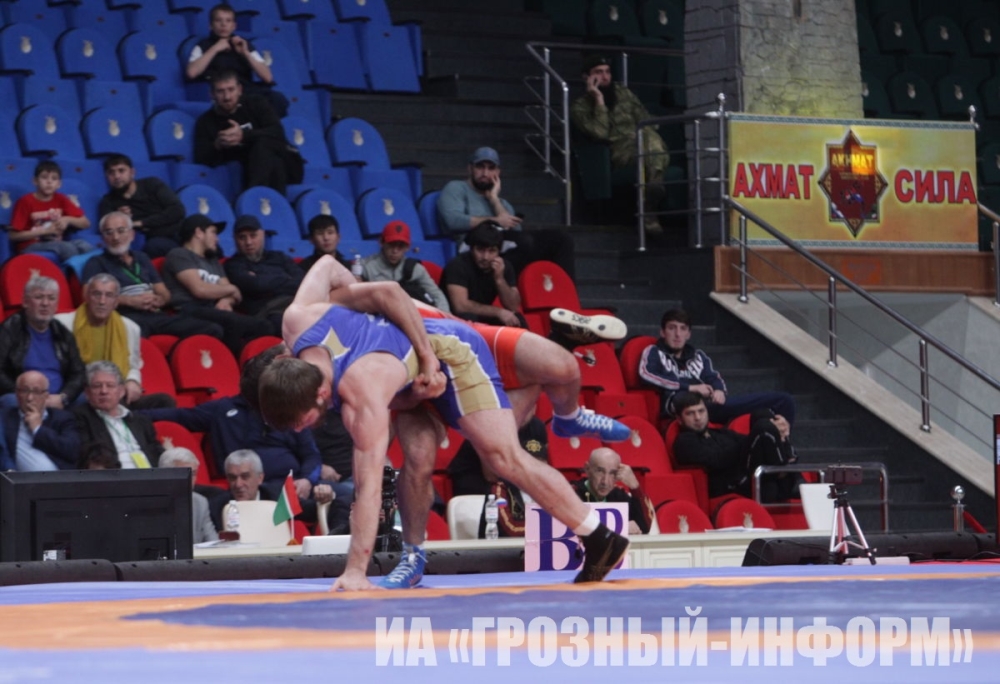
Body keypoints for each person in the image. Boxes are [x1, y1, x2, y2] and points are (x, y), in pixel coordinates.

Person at [258, 257, 631, 591]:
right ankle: (413, 557)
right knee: (417, 460)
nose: (301, 431)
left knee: (503, 458)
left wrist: (356, 570)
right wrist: (352, 294)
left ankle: (597, 536)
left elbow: (369, 488)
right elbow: (327, 264)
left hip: (449, 351)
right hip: (407, 377)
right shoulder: (297, 318)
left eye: (303, 421)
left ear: (322, 392)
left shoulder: (362, 395)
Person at [141, 345, 326, 508]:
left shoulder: (289, 409)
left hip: (296, 485)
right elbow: (180, 416)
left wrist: (307, 480)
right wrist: (130, 416)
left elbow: (311, 454)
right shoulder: (223, 409)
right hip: (253, 487)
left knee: (337, 496)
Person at [639, 308, 796, 424]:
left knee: (783, 400)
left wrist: (719, 390)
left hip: (710, 406)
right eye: (672, 328)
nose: (677, 334)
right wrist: (690, 388)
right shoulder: (654, 351)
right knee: (690, 400)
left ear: (689, 334)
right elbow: (646, 374)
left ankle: (784, 445)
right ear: (662, 332)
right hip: (681, 407)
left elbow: (713, 377)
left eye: (683, 329)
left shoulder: (698, 356)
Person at [436, 146, 575, 277]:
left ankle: (565, 292)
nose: (485, 173)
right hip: (473, 247)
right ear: (470, 168)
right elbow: (452, 221)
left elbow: (515, 231)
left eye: (491, 168)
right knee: (523, 242)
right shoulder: (456, 188)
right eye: (480, 167)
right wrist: (494, 220)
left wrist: (494, 199)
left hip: (501, 248)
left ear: (498, 173)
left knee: (561, 239)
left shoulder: (502, 203)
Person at [82, 212, 219, 341]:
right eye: (109, 232)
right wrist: (130, 301)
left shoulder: (142, 258)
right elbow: (87, 296)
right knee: (135, 334)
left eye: (121, 230)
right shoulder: (96, 263)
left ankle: (175, 354)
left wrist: (159, 300)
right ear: (102, 238)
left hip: (155, 314)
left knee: (211, 329)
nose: (115, 237)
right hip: (125, 316)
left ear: (132, 234)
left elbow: (164, 293)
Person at [570, 55, 669, 232]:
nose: (605, 76)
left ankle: (652, 194)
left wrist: (643, 131)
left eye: (607, 72)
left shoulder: (623, 93)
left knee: (648, 136)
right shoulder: (580, 107)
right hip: (619, 150)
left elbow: (645, 118)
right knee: (651, 146)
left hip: (644, 140)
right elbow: (600, 133)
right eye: (598, 72)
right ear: (587, 77)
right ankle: (652, 196)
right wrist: (599, 99)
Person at [55, 274, 174, 410]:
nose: (102, 301)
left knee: (164, 401)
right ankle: (124, 416)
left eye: (109, 295)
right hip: (79, 392)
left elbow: (133, 365)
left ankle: (126, 416)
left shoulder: (130, 328)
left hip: (114, 392)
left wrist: (132, 381)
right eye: (97, 294)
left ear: (116, 301)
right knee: (91, 402)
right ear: (87, 297)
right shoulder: (61, 324)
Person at [162, 213, 272, 356]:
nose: (217, 239)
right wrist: (232, 288)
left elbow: (235, 296)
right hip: (188, 309)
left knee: (264, 326)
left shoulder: (212, 260)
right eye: (213, 232)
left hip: (213, 309)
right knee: (232, 322)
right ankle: (233, 364)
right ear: (199, 233)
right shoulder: (179, 254)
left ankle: (249, 361)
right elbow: (199, 289)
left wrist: (226, 300)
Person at [671, 391, 800, 501]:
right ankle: (789, 475)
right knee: (763, 427)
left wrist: (779, 434)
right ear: (679, 419)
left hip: (757, 478)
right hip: (734, 485)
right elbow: (717, 459)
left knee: (762, 414)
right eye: (690, 413)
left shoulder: (720, 433)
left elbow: (748, 441)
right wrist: (757, 434)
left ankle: (787, 466)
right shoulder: (684, 442)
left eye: (701, 411)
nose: (698, 417)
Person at [194, 70, 302, 194]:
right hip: (255, 169)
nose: (227, 97)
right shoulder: (206, 121)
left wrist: (243, 135)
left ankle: (253, 195)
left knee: (263, 144)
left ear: (239, 90)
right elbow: (201, 158)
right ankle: (269, 201)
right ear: (212, 94)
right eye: (220, 91)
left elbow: (277, 132)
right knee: (274, 162)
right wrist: (217, 145)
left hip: (289, 164)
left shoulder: (256, 103)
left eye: (231, 90)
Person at [185, 3, 288, 118]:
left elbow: (267, 77)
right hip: (224, 93)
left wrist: (245, 53)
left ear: (234, 26)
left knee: (278, 99)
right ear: (211, 25)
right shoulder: (202, 46)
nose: (223, 24)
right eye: (218, 20)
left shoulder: (243, 44)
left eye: (228, 21)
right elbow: (191, 73)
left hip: (246, 90)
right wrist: (215, 49)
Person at [198, 448, 333, 535]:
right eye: (232, 478)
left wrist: (325, 497)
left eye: (245, 477)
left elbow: (310, 512)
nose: (238, 484)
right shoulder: (217, 506)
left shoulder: (277, 496)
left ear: (260, 478)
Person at [0, 276, 85, 409]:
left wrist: (64, 397)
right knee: (10, 401)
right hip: (23, 397)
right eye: (39, 297)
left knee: (86, 399)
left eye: (51, 298)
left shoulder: (63, 333)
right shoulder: (9, 329)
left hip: (57, 398)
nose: (45, 303)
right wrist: (27, 395)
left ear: (56, 304)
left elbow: (78, 372)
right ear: (25, 301)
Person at [223, 215, 304, 335]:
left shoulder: (279, 257)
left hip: (295, 303)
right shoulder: (233, 265)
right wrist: (285, 278)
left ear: (262, 235)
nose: (248, 242)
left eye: (253, 236)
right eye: (242, 237)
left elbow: (302, 281)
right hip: (267, 312)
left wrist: (263, 279)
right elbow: (257, 285)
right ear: (235, 239)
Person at [73, 361, 163, 469]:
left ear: (121, 391)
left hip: (150, 475)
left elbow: (157, 452)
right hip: (113, 475)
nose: (104, 391)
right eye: (97, 386)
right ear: (87, 392)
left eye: (110, 385)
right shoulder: (80, 418)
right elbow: (87, 456)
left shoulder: (140, 421)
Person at [97, 153, 186, 258]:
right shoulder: (108, 201)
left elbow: (178, 210)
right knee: (154, 246)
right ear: (106, 176)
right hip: (159, 240)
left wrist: (141, 223)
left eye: (121, 171)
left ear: (132, 172)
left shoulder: (152, 184)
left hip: (181, 233)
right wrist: (121, 218)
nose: (117, 176)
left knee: (198, 223)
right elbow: (107, 229)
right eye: (111, 173)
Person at [9, 160, 93, 260]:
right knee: (66, 247)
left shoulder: (61, 199)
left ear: (59, 184)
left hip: (56, 243)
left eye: (54, 178)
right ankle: (69, 270)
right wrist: (45, 231)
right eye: (44, 177)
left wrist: (67, 219)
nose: (49, 182)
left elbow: (86, 223)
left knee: (84, 246)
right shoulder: (25, 201)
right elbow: (13, 236)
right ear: (35, 181)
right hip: (30, 245)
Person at [440, 223, 521, 326]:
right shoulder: (457, 265)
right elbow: (460, 306)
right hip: (453, 317)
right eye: (480, 250)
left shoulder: (504, 266)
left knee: (517, 319)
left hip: (482, 315)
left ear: (499, 252)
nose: (485, 257)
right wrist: (498, 312)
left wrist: (500, 279)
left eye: (492, 251)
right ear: (471, 249)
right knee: (469, 317)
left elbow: (513, 306)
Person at [362, 220, 449, 312]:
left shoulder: (415, 268)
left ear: (407, 247)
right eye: (391, 245)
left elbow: (437, 295)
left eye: (400, 246)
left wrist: (444, 317)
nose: (395, 251)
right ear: (381, 243)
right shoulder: (366, 267)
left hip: (412, 313)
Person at [0, 371, 78, 471]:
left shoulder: (62, 418)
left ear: (46, 395)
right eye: (24, 391)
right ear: (17, 393)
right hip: (18, 480)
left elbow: (72, 452)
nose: (30, 398)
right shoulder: (5, 417)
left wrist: (38, 429)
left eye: (36, 392)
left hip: (59, 478)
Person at [573, 447, 654, 535]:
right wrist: (620, 526)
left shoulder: (618, 496)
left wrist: (635, 487)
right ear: (587, 469)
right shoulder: (572, 493)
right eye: (600, 471)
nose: (605, 481)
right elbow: (570, 528)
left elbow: (645, 527)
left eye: (612, 473)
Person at [159, 447, 219, 544]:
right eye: (184, 473)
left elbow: (213, 543)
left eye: (193, 473)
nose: (190, 479)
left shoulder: (200, 503)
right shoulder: (149, 503)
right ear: (165, 475)